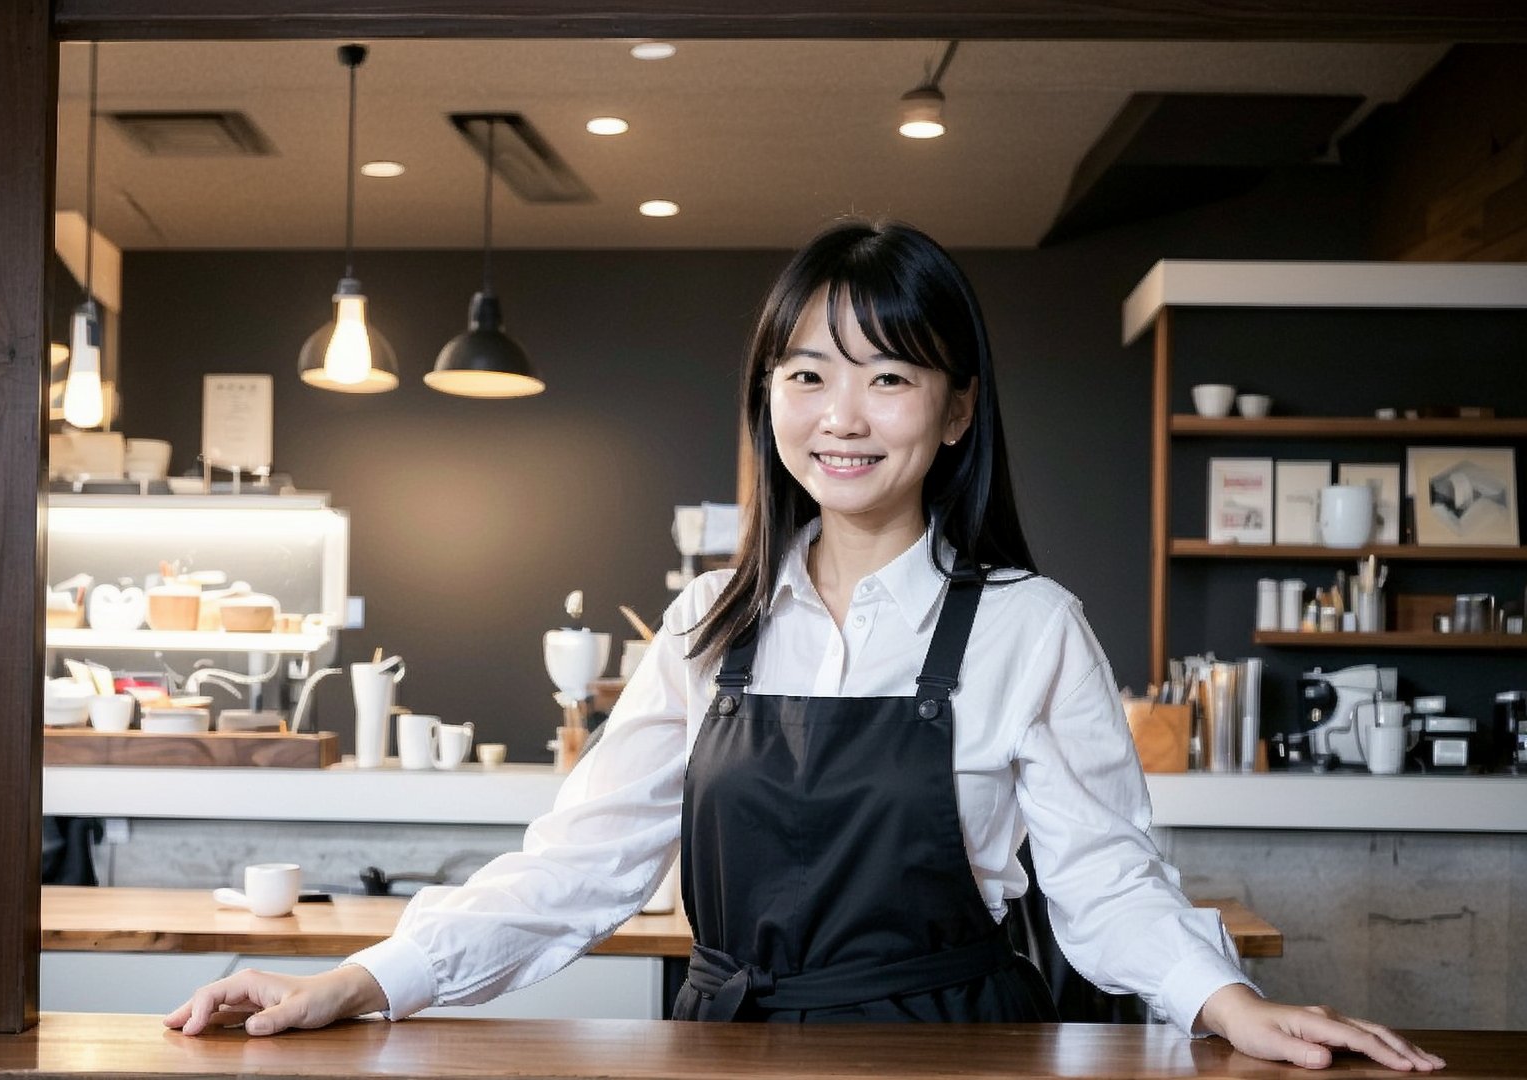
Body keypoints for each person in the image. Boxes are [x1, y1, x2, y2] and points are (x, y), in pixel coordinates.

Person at [167, 221, 1442, 1072]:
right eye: (807, 375)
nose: (842, 417)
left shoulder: (1026, 626)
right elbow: (574, 872)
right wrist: (366, 978)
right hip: (728, 1050)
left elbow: (1105, 882)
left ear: (955, 413)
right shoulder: (704, 626)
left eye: (889, 378)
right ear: (767, 396)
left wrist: (1227, 1004)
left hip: (955, 1056)